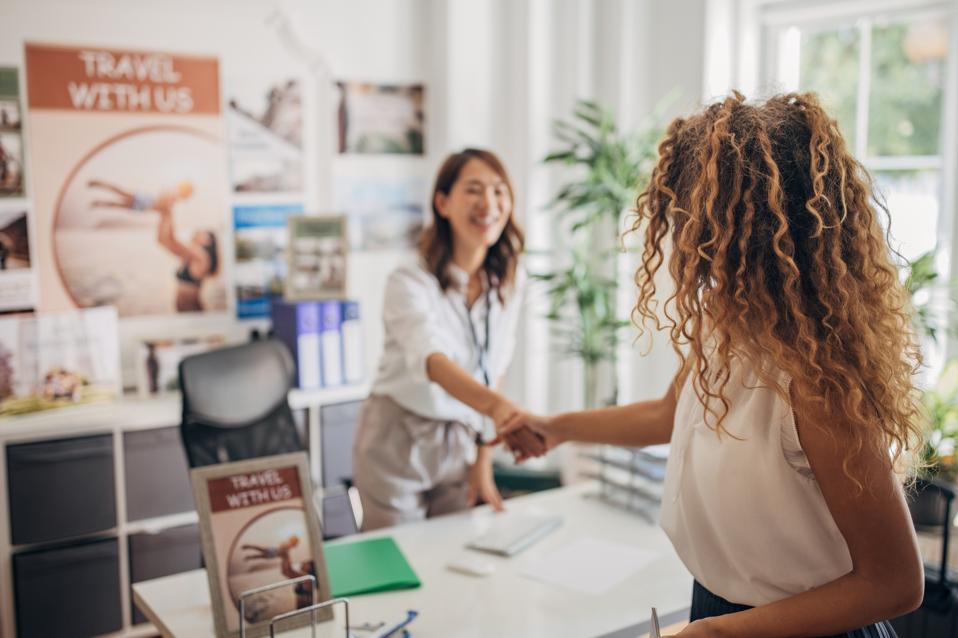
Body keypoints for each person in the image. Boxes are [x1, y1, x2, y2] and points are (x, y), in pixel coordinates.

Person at [497, 93, 924, 637]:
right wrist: (555, 428)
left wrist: (715, 633)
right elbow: (666, 413)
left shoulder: (817, 380)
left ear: (755, 230)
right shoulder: (723, 325)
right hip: (719, 609)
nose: (678, 235)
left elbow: (895, 584)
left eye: (693, 216)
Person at [353, 148, 543, 531]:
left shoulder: (507, 281)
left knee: (454, 551)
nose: (488, 203)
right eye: (473, 190)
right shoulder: (409, 281)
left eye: (499, 190)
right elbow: (434, 362)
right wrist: (503, 411)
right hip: (398, 434)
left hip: (463, 438)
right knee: (397, 559)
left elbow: (496, 368)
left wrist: (483, 460)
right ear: (443, 203)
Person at [88, 179, 218, 312]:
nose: (196, 232)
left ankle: (101, 191)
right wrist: (165, 215)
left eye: (202, 232)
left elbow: (171, 240)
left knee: (126, 199)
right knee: (126, 200)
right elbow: (163, 241)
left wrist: (167, 214)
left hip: (194, 315)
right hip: (186, 315)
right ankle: (101, 192)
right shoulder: (189, 257)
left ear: (208, 241)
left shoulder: (201, 256)